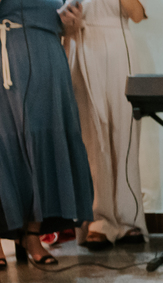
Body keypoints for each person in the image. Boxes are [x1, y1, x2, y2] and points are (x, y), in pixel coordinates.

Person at [0, 0, 93, 268]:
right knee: (5, 146)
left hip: (48, 56)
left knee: (42, 143)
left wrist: (71, 22)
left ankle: (32, 235)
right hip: (8, 51)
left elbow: (71, 29)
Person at [67, 0, 147, 252]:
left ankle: (129, 218)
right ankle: (97, 219)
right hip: (81, 41)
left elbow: (136, 15)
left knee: (126, 132)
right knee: (91, 136)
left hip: (118, 45)